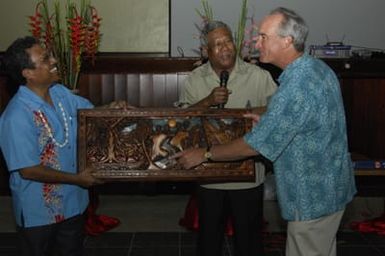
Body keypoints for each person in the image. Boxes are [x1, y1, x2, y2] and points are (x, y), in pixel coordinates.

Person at [174, 8, 357, 256]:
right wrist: (271, 120)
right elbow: (301, 121)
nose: (255, 42)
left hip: (311, 196)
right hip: (330, 190)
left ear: (287, 40)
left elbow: (254, 146)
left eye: (263, 37)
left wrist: (205, 154)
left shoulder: (296, 85)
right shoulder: (316, 69)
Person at [0, 36, 121, 255]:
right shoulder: (16, 115)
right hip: (39, 214)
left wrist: (113, 108)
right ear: (28, 73)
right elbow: (28, 170)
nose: (54, 60)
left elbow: (90, 115)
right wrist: (78, 179)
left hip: (73, 205)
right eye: (45, 58)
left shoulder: (60, 93)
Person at [178, 20, 277, 256]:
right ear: (206, 51)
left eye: (229, 41)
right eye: (218, 44)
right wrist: (207, 102)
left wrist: (248, 115)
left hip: (249, 177)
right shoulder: (194, 79)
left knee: (249, 243)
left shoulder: (258, 76)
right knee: (209, 242)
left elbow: (281, 110)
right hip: (209, 177)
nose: (225, 48)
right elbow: (182, 122)